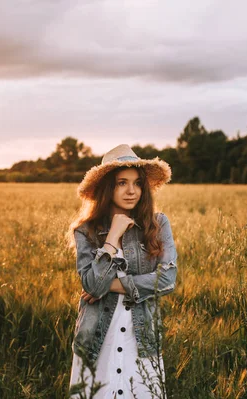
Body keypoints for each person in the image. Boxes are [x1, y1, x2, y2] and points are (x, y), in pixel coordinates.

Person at [68, 144, 177, 398]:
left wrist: (112, 284)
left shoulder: (158, 224)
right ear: (108, 187)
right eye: (122, 183)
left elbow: (168, 279)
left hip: (142, 339)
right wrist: (113, 237)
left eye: (137, 183)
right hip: (97, 341)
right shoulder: (86, 231)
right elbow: (92, 287)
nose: (132, 191)